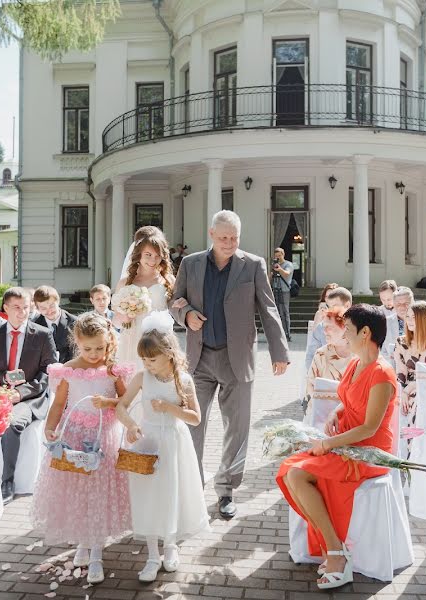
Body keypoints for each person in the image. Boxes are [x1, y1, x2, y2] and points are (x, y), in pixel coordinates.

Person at [170, 210, 289, 520]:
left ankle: (226, 490)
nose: (229, 243)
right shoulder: (190, 263)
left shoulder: (253, 265)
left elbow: (269, 308)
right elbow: (175, 300)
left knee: (236, 430)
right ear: (211, 234)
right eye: (223, 238)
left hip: (238, 360)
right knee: (192, 425)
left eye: (234, 238)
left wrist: (280, 351)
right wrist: (186, 317)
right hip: (199, 358)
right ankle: (192, 487)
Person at [276, 304, 398, 590]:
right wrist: (336, 412)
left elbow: (370, 427)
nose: (344, 335)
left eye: (349, 330)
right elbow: (350, 397)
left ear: (365, 333)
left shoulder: (382, 373)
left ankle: (336, 551)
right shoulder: (357, 363)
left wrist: (328, 443)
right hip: (347, 439)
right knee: (289, 470)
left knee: (297, 474)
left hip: (368, 450)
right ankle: (334, 547)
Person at [32, 312, 133, 585]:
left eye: (100, 347)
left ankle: (97, 549)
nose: (94, 353)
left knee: (99, 490)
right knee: (78, 489)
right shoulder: (67, 369)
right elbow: (58, 404)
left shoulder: (113, 369)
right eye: (88, 348)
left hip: (104, 437)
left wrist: (109, 403)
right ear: (77, 341)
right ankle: (83, 542)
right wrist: (50, 427)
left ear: (108, 341)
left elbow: (125, 399)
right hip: (75, 435)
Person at [111, 312, 210, 582]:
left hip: (175, 443)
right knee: (148, 497)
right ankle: (152, 554)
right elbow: (121, 406)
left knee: (171, 494)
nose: (147, 364)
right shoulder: (142, 378)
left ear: (168, 354)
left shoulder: (183, 380)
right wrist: (131, 425)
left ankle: (171, 546)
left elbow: (196, 418)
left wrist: (169, 407)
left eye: (152, 359)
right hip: (148, 441)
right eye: (144, 359)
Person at [0, 287, 58, 503]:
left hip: (31, 398)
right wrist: (4, 383)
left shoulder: (42, 335)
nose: (22, 312)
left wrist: (20, 393)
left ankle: (7, 481)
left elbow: (47, 373)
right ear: (5, 309)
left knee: (11, 424)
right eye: (16, 308)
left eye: (26, 308)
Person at [113, 226, 174, 370]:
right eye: (148, 254)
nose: (153, 260)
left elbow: (176, 311)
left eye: (158, 255)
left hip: (159, 340)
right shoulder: (126, 283)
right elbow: (115, 320)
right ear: (138, 254)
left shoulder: (168, 281)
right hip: (132, 339)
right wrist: (125, 316)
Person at [394, 301, 426, 438]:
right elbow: (400, 373)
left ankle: (414, 447)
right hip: (404, 389)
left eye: (413, 317)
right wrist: (402, 392)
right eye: (408, 316)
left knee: (416, 401)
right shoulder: (401, 342)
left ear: (424, 320)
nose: (409, 320)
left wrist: (407, 391)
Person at [304, 307, 354, 426]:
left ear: (344, 328)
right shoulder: (321, 353)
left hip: (353, 415)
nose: (325, 331)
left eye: (329, 327)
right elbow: (310, 386)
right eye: (323, 326)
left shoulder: (358, 353)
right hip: (323, 416)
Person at [303, 285, 351, 387]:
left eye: (335, 306)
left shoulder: (360, 328)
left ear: (347, 305)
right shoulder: (321, 327)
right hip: (326, 382)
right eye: (329, 306)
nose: (331, 310)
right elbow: (310, 355)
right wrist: (316, 381)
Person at [33, 285, 77, 364]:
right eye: (43, 308)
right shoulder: (34, 325)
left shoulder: (74, 322)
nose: (49, 311)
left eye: (52, 306)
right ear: (37, 309)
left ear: (58, 302)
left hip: (68, 368)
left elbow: (76, 351)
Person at [270, 248, 295, 342]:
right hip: (275, 289)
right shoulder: (275, 265)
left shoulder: (288, 264)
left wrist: (279, 269)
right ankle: (277, 333)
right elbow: (270, 277)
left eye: (279, 256)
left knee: (284, 311)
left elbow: (287, 274)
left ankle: (287, 333)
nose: (278, 258)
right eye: (276, 256)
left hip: (284, 290)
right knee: (276, 311)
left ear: (283, 254)